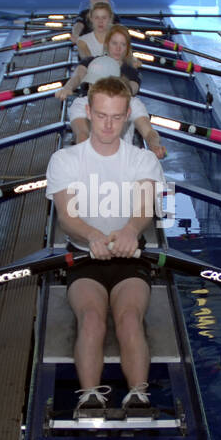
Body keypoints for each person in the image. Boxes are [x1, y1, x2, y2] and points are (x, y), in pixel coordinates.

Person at [46, 76, 164, 415]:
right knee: (92, 318)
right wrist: (92, 236)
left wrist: (130, 229)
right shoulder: (65, 160)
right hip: (84, 256)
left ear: (128, 114)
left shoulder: (143, 161)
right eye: (101, 116)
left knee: (129, 318)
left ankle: (139, 396)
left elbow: (143, 209)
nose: (108, 125)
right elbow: (67, 217)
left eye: (115, 116)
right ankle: (90, 397)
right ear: (88, 111)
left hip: (131, 256)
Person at [59, 24, 166, 158]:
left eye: (122, 44)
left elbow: (149, 132)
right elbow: (82, 133)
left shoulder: (132, 102)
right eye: (114, 43)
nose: (118, 48)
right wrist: (67, 88)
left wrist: (154, 144)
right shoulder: (81, 104)